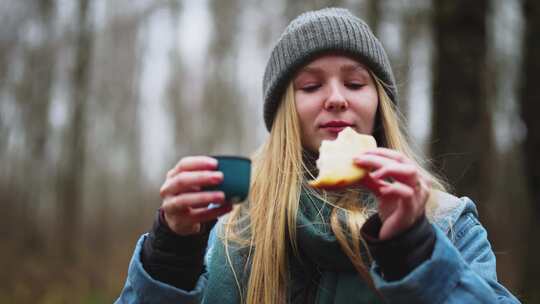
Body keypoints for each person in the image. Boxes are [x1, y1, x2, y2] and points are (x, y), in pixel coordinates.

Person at [115, 7, 520, 304]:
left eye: (355, 83)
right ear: (284, 112)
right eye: (310, 87)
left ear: (378, 102)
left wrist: (414, 250)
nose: (337, 99)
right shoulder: (229, 230)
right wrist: (168, 257)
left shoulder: (448, 224)